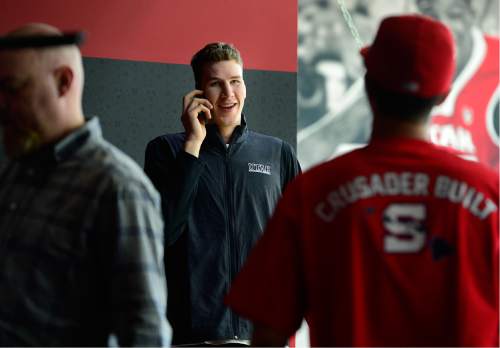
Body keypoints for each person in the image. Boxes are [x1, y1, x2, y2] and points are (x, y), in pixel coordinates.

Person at [226, 15, 499, 347]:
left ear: (367, 86)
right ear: (443, 95)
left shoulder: (313, 192)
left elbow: (269, 332)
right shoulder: (490, 196)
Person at [0, 23, 171, 346]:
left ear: (63, 82)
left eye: (13, 88)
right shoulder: (15, 174)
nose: (2, 105)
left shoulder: (119, 189)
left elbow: (145, 336)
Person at [144, 42, 301, 345]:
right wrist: (192, 145)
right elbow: (161, 234)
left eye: (235, 81)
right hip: (191, 336)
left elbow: (301, 244)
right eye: (216, 84)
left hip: (262, 335)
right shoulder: (166, 150)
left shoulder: (278, 153)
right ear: (198, 94)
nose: (229, 94)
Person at [416, 0, 499, 170]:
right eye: (431, 16)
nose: (444, 28)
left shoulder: (496, 73)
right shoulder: (406, 61)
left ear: (471, 15)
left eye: (454, 15)